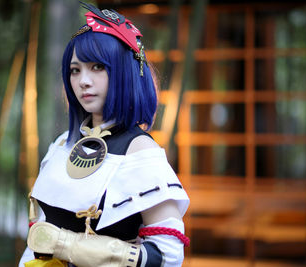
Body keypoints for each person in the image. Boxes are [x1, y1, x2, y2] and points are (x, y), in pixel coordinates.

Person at [19, 3, 190, 267]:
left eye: (97, 67)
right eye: (75, 70)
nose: (83, 81)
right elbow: (39, 237)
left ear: (124, 72)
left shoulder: (140, 152)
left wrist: (72, 246)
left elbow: (168, 255)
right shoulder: (62, 144)